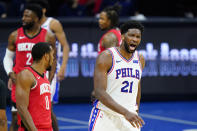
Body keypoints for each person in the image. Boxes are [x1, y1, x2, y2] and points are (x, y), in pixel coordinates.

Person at [3, 4, 56, 131]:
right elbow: (7, 57)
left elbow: (53, 61)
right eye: (23, 15)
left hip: (41, 78)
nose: (23, 18)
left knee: (47, 113)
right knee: (17, 116)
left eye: (27, 16)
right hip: (22, 78)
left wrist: (49, 79)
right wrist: (10, 73)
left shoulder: (48, 36)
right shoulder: (15, 35)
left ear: (37, 18)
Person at [89, 21, 145, 131]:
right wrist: (125, 112)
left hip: (129, 116)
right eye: (131, 35)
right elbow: (99, 92)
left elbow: (137, 87)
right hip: (106, 116)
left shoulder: (140, 59)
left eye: (138, 37)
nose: (135, 39)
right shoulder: (107, 57)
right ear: (123, 36)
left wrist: (135, 110)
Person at [29, 0, 70, 130]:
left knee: (47, 107)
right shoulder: (30, 25)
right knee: (34, 106)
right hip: (34, 69)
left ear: (43, 10)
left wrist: (63, 66)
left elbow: (65, 45)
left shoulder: (53, 24)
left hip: (50, 68)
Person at [16, 42, 54, 131]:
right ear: (46, 56)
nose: (53, 58)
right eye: (52, 55)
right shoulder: (26, 75)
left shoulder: (44, 75)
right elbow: (22, 108)